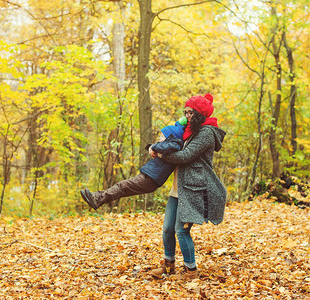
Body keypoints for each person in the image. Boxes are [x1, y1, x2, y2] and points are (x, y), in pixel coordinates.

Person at [150, 93, 227, 280]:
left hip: (193, 188)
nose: (187, 116)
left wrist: (160, 153)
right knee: (168, 228)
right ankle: (169, 265)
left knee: (181, 230)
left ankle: (190, 271)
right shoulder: (189, 131)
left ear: (200, 114)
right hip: (178, 187)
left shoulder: (206, 133)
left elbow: (185, 156)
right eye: (185, 112)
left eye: (191, 113)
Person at [80, 117, 187, 210]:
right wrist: (151, 147)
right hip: (149, 178)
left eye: (162, 136)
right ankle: (97, 198)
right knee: (122, 187)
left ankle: (97, 199)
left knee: (122, 187)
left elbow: (166, 146)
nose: (159, 139)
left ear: (170, 137)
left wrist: (154, 146)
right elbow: (162, 147)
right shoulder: (169, 145)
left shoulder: (174, 144)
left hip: (151, 179)